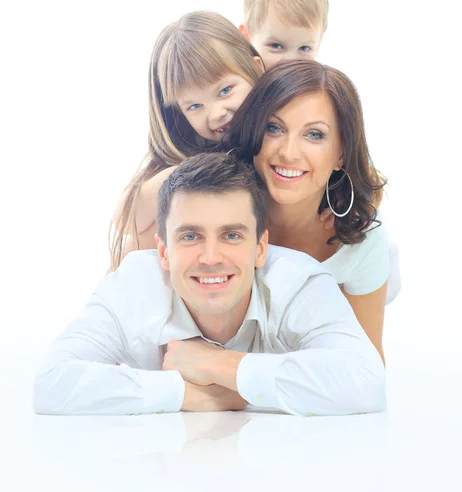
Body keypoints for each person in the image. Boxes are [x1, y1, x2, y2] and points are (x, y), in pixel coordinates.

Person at [33, 153, 386, 417]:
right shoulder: (133, 285)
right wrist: (192, 394)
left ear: (261, 248)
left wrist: (219, 365)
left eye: (232, 235)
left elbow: (368, 382)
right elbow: (50, 384)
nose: (211, 256)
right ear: (163, 251)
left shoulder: (298, 283)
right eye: (190, 236)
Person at [224, 60, 392, 363]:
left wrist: (224, 369)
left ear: (341, 153)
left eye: (314, 135)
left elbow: (365, 371)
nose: (288, 152)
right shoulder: (214, 210)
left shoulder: (362, 244)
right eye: (273, 128)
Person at [110, 10, 264, 270]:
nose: (216, 114)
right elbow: (125, 220)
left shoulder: (282, 130)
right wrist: (189, 173)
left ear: (256, 69)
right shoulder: (196, 152)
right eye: (194, 106)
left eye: (225, 90)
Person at [239, 0, 329, 69]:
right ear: (246, 37)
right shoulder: (239, 83)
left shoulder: (320, 83)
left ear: (318, 45)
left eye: (304, 48)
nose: (291, 63)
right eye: (276, 46)